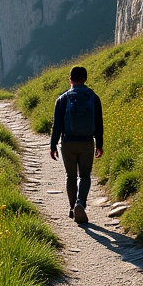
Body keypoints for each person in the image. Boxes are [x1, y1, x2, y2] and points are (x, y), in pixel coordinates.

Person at [49, 66, 104, 225]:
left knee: (70, 176)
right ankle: (81, 203)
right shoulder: (94, 98)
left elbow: (57, 125)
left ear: (70, 79)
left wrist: (53, 145)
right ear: (86, 79)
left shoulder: (63, 99)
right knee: (85, 176)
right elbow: (99, 124)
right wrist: (99, 144)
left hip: (68, 143)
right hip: (87, 142)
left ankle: (73, 207)